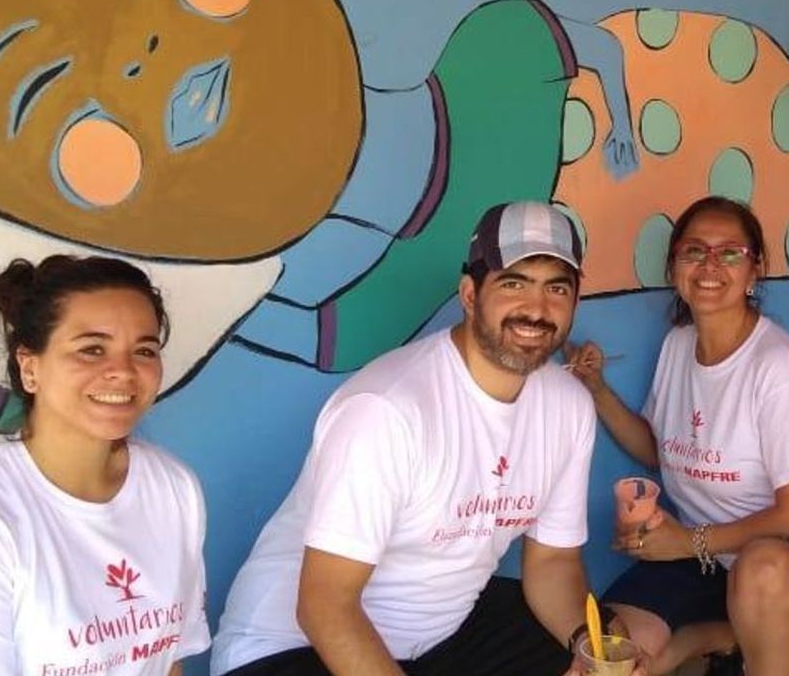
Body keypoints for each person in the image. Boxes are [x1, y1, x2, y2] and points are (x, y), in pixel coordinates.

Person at [212, 201, 637, 676]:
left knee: (604, 652)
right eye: (514, 283)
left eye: (556, 288)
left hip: (439, 637)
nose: (536, 310)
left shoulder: (568, 406)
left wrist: (587, 644)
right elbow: (325, 606)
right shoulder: (387, 410)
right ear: (470, 293)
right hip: (292, 646)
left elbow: (553, 563)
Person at [566, 196, 789, 676]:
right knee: (618, 652)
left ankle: (747, 653)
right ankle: (715, 640)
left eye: (730, 253)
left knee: (760, 569)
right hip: (708, 559)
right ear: (674, 265)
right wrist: (597, 390)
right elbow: (657, 451)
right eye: (693, 251)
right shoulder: (679, 344)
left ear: (755, 270)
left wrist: (689, 542)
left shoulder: (775, 366)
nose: (709, 265)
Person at [0, 255, 209, 675]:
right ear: (30, 367)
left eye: (144, 350)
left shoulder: (172, 488)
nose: (124, 371)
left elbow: (166, 663)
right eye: (92, 349)